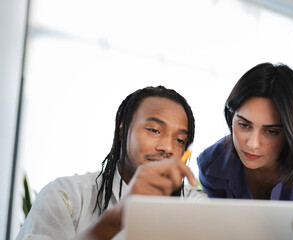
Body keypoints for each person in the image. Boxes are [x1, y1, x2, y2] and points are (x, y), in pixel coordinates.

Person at [17, 86, 206, 240]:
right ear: (123, 131)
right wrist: (113, 220)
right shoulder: (65, 196)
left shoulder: (196, 206)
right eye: (154, 130)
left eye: (180, 140)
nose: (168, 147)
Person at [197, 62, 293, 216]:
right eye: (244, 125)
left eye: (271, 131)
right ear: (231, 117)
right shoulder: (212, 164)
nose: (252, 144)